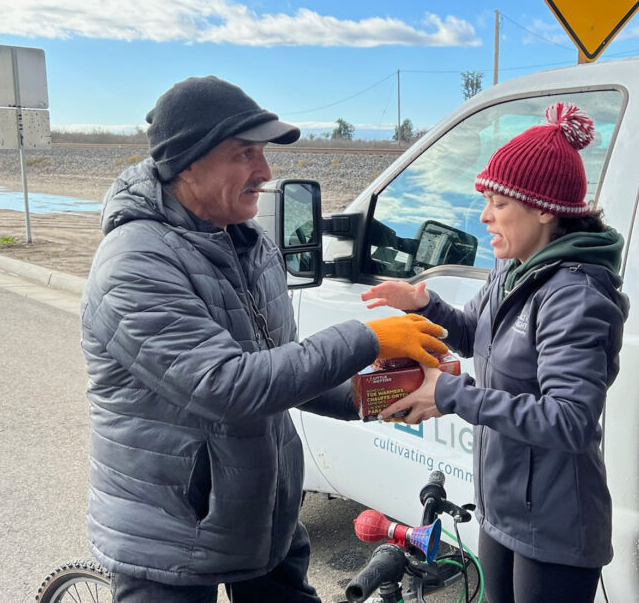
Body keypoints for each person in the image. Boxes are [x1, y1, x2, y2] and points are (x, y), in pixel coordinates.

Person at [80, 75, 447, 602]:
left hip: (261, 521)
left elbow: (281, 372)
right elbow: (228, 385)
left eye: (263, 154)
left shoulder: (249, 244)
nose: (265, 173)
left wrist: (388, 394)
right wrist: (369, 338)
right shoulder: (134, 263)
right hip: (172, 542)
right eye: (244, 154)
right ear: (186, 162)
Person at [361, 103, 630, 603]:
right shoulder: (513, 270)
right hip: (503, 507)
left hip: (555, 523)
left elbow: (570, 419)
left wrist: (453, 394)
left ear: (544, 209)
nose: (484, 216)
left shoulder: (577, 295)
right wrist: (426, 303)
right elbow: (472, 334)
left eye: (498, 203)